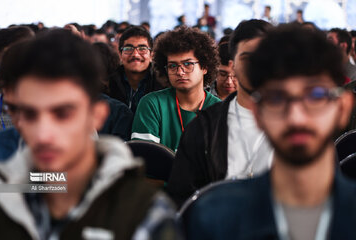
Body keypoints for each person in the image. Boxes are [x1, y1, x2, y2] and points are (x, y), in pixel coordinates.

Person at [0, 30, 181, 239]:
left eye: (62, 114)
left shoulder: (141, 212)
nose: (43, 135)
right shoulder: (5, 193)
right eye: (29, 114)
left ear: (97, 115)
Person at [184, 24, 356, 240]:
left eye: (315, 95)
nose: (296, 117)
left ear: (342, 108)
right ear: (258, 114)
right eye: (276, 98)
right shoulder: (215, 217)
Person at [166, 19, 273, 208]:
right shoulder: (204, 128)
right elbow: (182, 200)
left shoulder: (301, 125)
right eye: (248, 59)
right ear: (233, 65)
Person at [131, 26, 220, 151]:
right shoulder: (152, 104)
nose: (180, 72)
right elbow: (145, 158)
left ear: (204, 67)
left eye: (188, 64)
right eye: (172, 66)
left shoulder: (220, 111)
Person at [108, 26, 163, 112]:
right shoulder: (108, 84)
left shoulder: (163, 84)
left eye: (142, 49)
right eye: (128, 49)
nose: (135, 55)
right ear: (120, 54)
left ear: (151, 55)